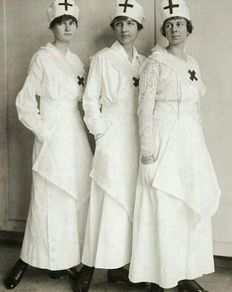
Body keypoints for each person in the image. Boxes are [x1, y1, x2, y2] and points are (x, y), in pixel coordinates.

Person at [129, 0, 221, 291]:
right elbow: (144, 108)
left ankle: (185, 274)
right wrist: (147, 148)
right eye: (169, 25)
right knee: (164, 207)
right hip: (163, 136)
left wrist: (199, 145)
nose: (175, 29)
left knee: (186, 206)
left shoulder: (192, 64)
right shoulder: (155, 63)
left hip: (190, 141)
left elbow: (196, 109)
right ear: (164, 31)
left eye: (179, 24)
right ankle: (159, 276)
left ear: (188, 28)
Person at [4, 0, 92, 289]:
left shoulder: (78, 61)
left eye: (71, 21)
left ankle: (65, 260)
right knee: (47, 197)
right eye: (61, 21)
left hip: (75, 135)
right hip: (52, 134)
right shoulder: (42, 57)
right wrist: (43, 131)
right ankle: (26, 259)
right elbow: (25, 101)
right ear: (52, 26)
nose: (67, 26)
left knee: (74, 198)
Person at [73, 1, 146, 291]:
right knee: (105, 199)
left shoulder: (144, 63)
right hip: (113, 136)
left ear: (138, 27)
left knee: (129, 203)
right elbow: (89, 100)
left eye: (129, 23)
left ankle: (119, 267)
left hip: (137, 138)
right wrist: (101, 134)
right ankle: (88, 269)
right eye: (119, 23)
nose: (124, 29)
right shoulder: (103, 59)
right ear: (113, 28)